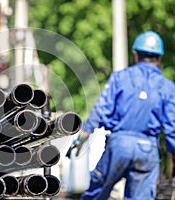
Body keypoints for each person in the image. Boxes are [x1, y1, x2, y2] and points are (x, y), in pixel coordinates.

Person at [68, 31, 175, 199]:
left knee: (95, 194)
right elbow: (172, 128)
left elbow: (101, 109)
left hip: (118, 146)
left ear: (136, 55)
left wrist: (83, 136)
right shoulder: (167, 87)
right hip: (147, 149)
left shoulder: (120, 78)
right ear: (159, 58)